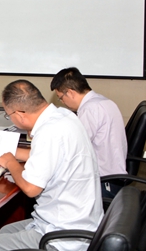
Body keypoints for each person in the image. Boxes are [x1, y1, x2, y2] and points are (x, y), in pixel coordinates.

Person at [0, 80, 103, 251]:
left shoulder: (48, 132)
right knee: (5, 231)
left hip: (64, 235)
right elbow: (46, 155)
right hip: (80, 219)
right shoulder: (63, 117)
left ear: (19, 114)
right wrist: (12, 152)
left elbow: (31, 188)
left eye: (9, 115)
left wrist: (11, 163)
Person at [50, 67, 127, 198]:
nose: (62, 102)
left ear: (70, 93)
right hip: (114, 178)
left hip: (104, 183)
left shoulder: (89, 109)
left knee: (50, 189)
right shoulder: (102, 101)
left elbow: (72, 149)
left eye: (61, 98)